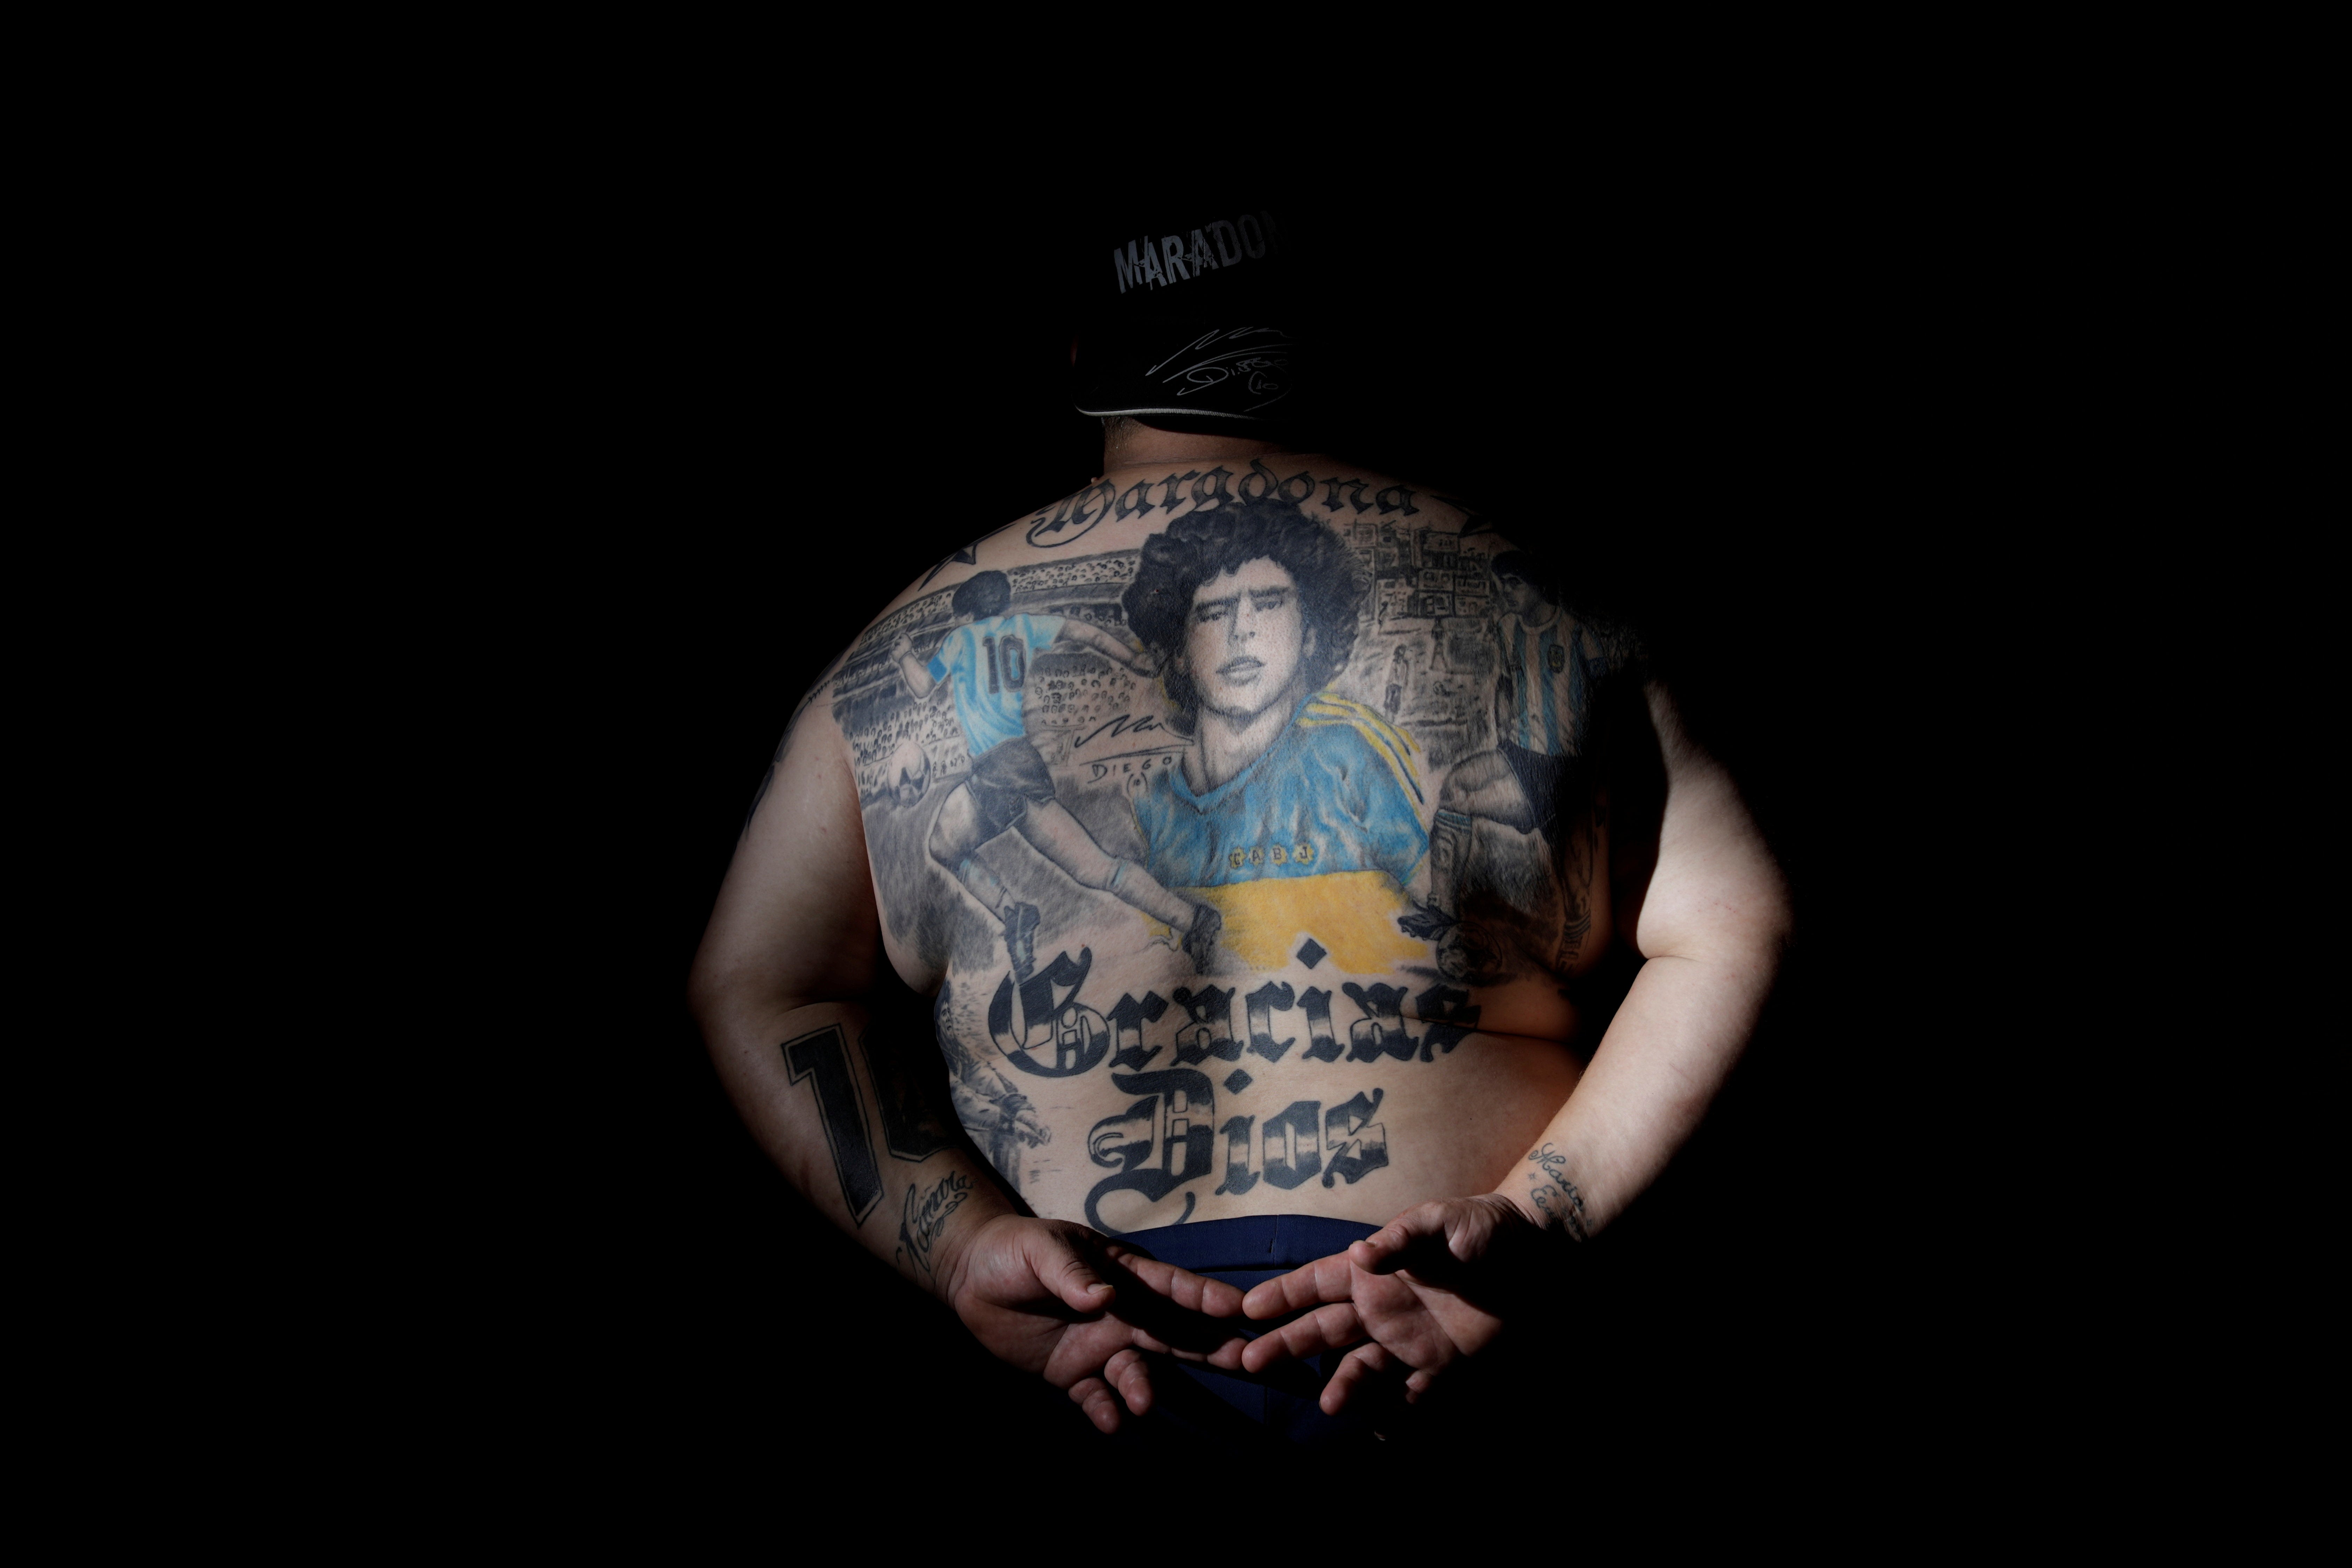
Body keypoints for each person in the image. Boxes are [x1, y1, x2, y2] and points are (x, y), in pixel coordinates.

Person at [688, 201, 1790, 1444]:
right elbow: (1734, 922)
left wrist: (959, 1245)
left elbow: (758, 987)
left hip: (1111, 1337)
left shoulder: (892, 658)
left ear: (1077, 357)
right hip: (1432, 1309)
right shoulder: (1545, 598)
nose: (1241, 639)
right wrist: (1537, 1216)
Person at [890, 567, 1222, 981]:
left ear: (967, 612)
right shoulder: (1026, 626)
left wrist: (905, 654)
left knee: (955, 849)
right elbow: (1089, 635)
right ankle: (1020, 914)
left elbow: (922, 686)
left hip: (997, 771)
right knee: (1090, 868)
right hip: (1015, 764)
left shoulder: (959, 640)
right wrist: (1134, 660)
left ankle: (1018, 913)